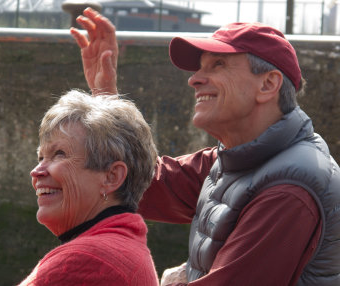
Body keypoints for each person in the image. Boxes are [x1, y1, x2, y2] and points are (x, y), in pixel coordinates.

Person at [71, 8, 340, 286]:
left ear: (268, 84)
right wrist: (105, 100)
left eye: (218, 65)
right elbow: (143, 183)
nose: (194, 79)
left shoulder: (289, 188)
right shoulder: (239, 159)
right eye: (200, 67)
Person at [18, 89, 159, 286]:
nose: (36, 171)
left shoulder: (87, 259)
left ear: (112, 177)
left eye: (59, 154)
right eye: (41, 157)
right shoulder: (123, 248)